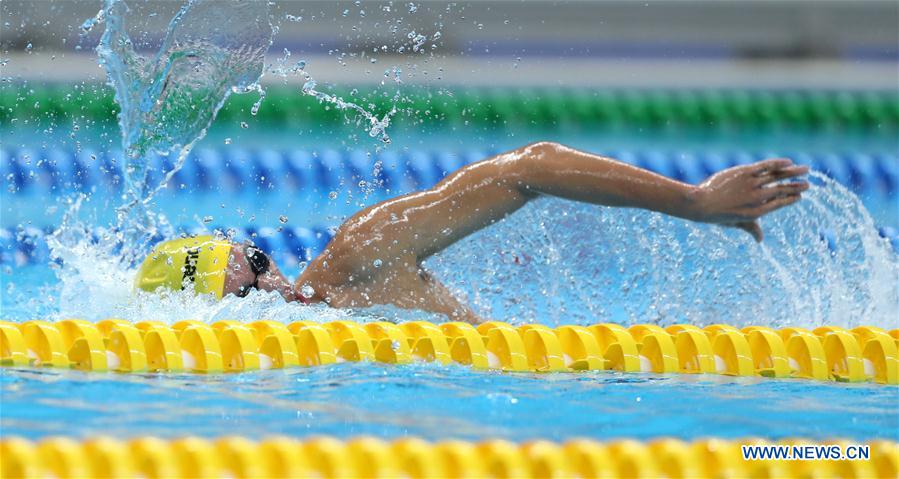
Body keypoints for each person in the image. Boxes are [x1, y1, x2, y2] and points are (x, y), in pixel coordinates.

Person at [135, 142, 809, 324]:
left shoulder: (351, 262)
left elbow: (530, 167)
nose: (275, 285)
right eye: (248, 297)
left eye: (256, 259)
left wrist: (691, 200)